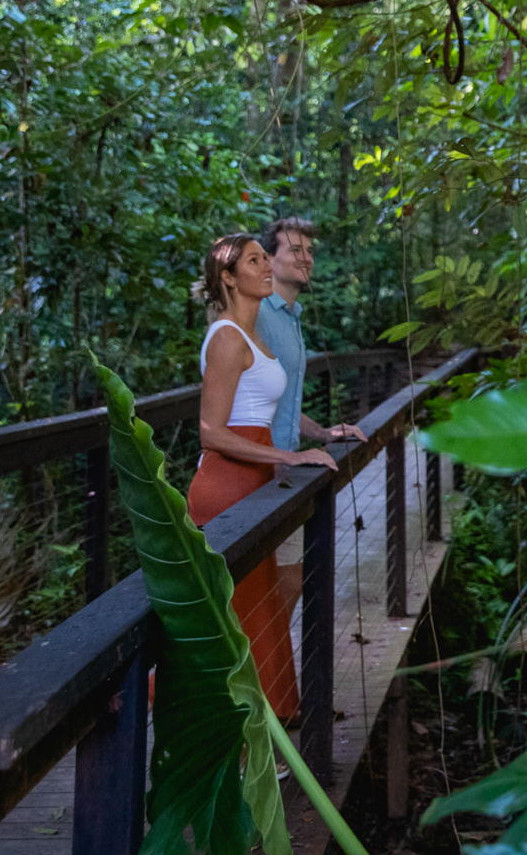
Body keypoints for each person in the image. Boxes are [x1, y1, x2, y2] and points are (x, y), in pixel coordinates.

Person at [187, 232, 337, 723]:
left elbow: (267, 407)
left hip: (259, 482)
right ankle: (224, 726)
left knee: (260, 608)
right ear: (229, 277)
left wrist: (305, 441)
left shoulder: (256, 334)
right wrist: (289, 458)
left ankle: (260, 733)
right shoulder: (227, 337)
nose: (266, 267)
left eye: (263, 259)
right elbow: (211, 432)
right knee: (240, 613)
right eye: (255, 261)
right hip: (227, 487)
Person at [254, 216, 366, 616]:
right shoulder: (254, 314)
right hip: (253, 472)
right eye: (295, 250)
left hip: (282, 470)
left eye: (310, 251)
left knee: (286, 583)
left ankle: (264, 674)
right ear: (268, 259)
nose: (306, 259)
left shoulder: (290, 316)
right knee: (255, 595)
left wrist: (321, 433)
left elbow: (279, 399)